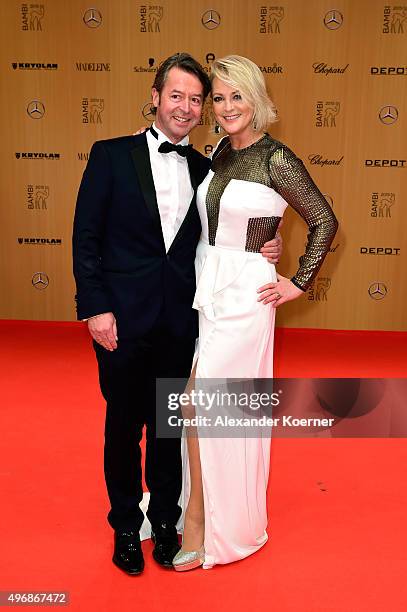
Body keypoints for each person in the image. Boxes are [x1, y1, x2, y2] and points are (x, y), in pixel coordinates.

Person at [72, 53, 282, 576]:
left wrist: (268, 245)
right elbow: (86, 238)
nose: (186, 108)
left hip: (181, 321)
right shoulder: (110, 156)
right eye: (177, 96)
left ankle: (165, 524)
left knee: (169, 428)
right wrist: (94, 307)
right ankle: (125, 525)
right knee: (123, 426)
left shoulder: (208, 169)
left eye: (196, 99)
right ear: (155, 96)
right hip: (119, 319)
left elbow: (229, 229)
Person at [171, 55, 338, 571]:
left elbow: (324, 220)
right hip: (210, 287)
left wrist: (296, 281)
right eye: (217, 99)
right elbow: (219, 218)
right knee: (203, 404)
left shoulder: (277, 158)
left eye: (235, 96)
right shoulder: (218, 151)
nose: (225, 108)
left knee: (203, 403)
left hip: (247, 294)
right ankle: (206, 508)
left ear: (255, 99)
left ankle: (202, 520)